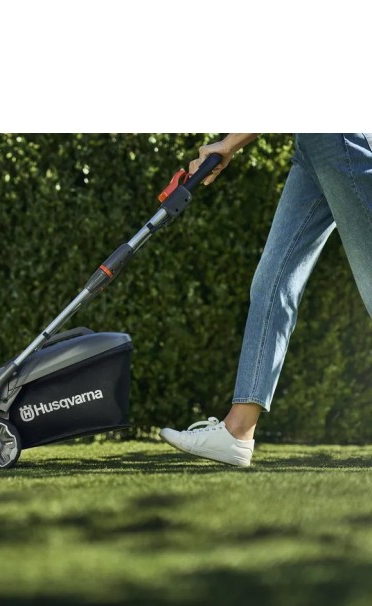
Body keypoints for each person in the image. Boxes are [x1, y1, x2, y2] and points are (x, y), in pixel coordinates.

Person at [159, 133, 372, 467]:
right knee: (272, 284)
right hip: (312, 146)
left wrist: (228, 144)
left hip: (339, 137)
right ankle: (237, 432)